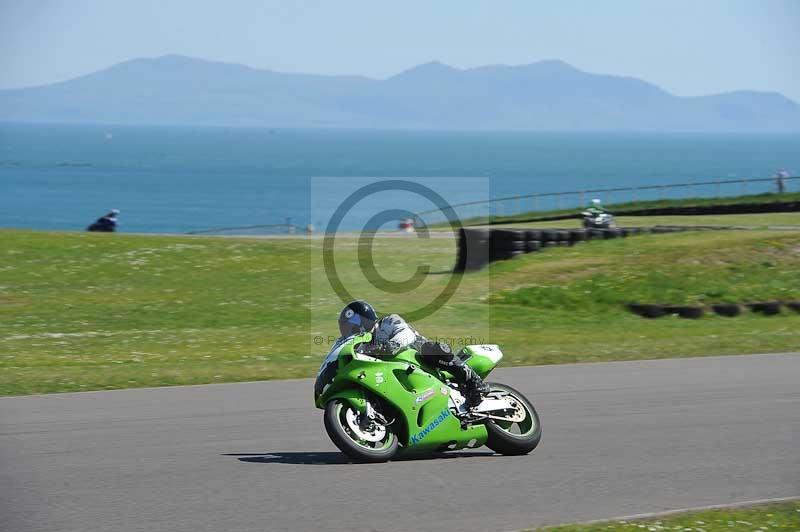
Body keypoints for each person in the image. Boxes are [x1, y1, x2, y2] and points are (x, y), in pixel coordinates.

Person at [337, 300, 490, 405]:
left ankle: (474, 383)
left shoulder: (387, 322)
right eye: (346, 328)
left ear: (364, 320)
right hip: (393, 374)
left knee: (432, 348)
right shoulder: (358, 344)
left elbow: (406, 335)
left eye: (352, 325)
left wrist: (386, 347)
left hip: (420, 360)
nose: (350, 331)